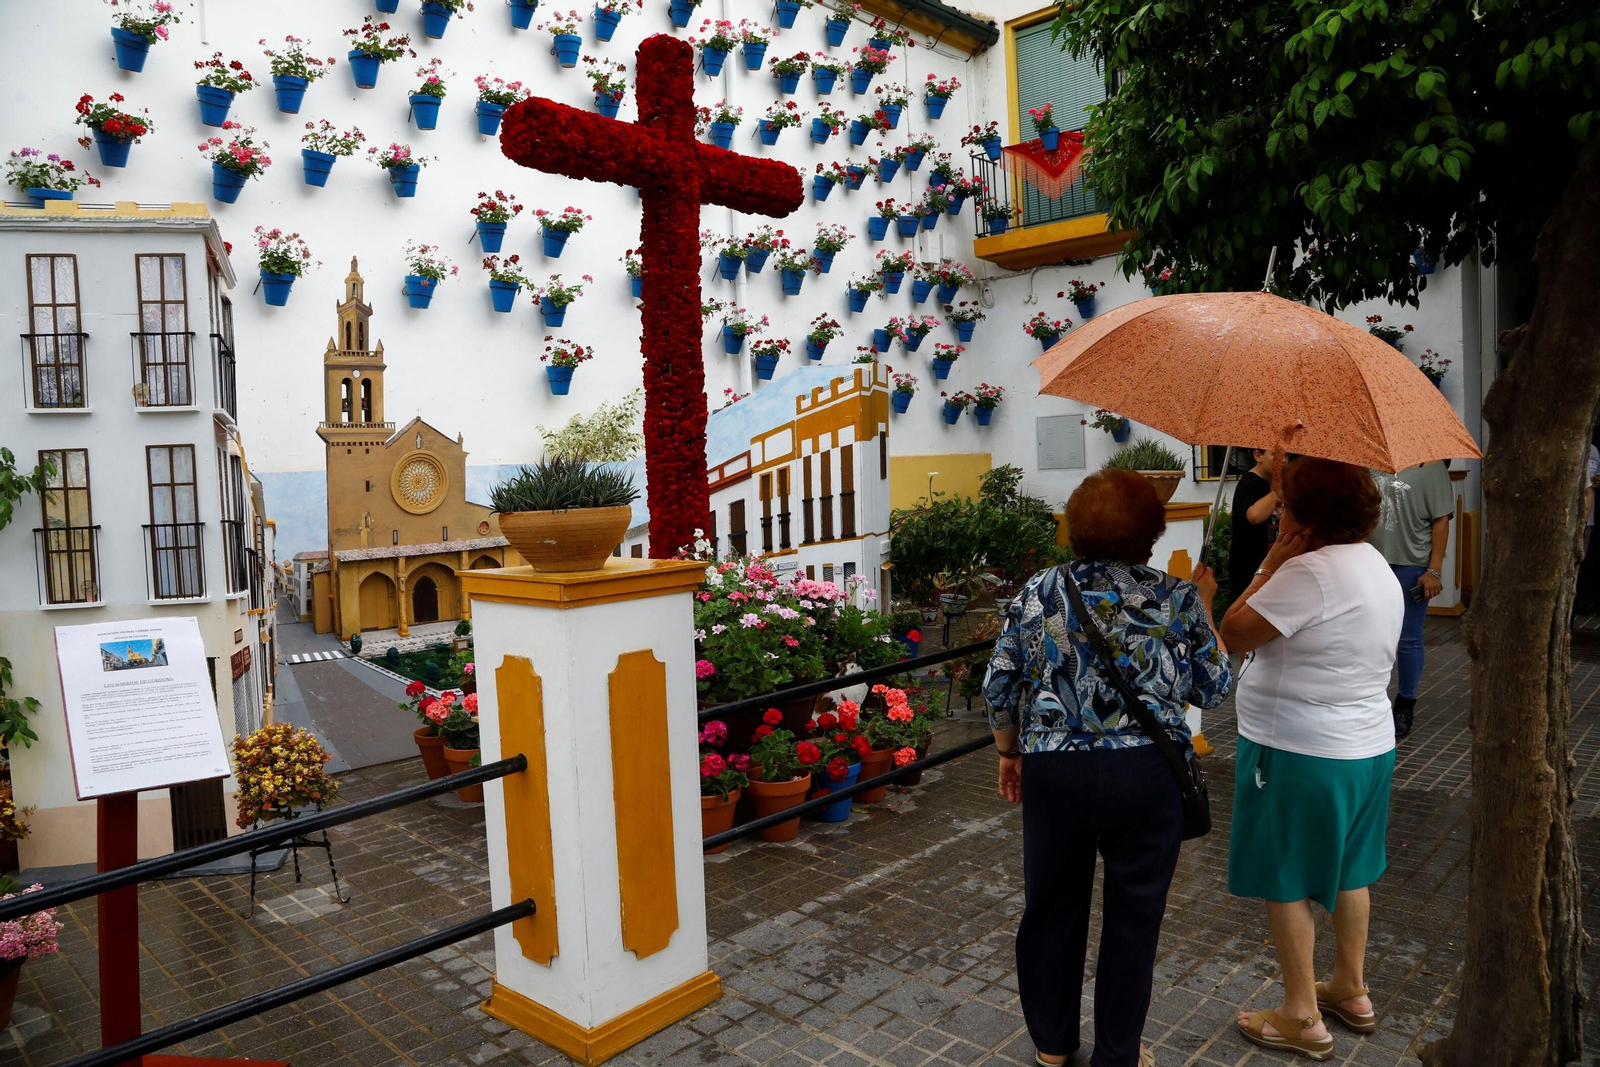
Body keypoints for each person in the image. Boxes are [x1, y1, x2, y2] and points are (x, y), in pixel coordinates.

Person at [983, 469, 1233, 1067]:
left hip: (1055, 772)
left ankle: (1052, 1045)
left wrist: (1008, 751)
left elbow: (1000, 684)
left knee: (1050, 906)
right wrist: (1206, 605)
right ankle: (1117, 1054)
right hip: (1146, 776)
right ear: (1151, 533)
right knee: (1134, 917)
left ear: (1074, 528)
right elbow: (1215, 689)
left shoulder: (1039, 592)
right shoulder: (1176, 598)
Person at [1220, 458, 1401, 1062]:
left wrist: (1269, 565)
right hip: (1366, 745)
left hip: (1298, 748)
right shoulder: (1372, 564)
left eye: (1286, 503)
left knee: (1286, 875)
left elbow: (1234, 632)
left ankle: (1300, 1014)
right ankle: (1350, 986)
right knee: (1352, 869)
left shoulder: (1308, 574)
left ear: (1306, 519)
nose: (1281, 513)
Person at [1369, 461, 1453, 739]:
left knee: (1408, 638)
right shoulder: (1371, 462)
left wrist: (1434, 570)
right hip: (1369, 561)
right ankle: (1370, 700)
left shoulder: (1432, 467)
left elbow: (1441, 520)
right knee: (1368, 635)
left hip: (1411, 565)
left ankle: (1405, 705)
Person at [1228, 447, 1279, 598]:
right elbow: (1254, 516)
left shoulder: (1273, 484)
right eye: (1276, 455)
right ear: (1258, 456)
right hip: (1250, 567)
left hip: (1271, 566)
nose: (1283, 460)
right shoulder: (1250, 482)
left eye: (1286, 456)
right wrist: (1278, 493)